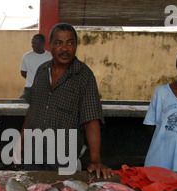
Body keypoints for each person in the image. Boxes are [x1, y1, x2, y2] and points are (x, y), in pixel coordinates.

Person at [20, 23, 113, 179]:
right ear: (50, 45)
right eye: (58, 43)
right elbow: (33, 108)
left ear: (76, 45)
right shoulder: (42, 71)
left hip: (62, 159)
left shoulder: (84, 76)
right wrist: (21, 140)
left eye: (70, 43)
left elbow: (91, 119)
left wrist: (95, 160)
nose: (64, 49)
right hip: (34, 152)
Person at [19, 34, 52, 98]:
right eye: (32, 43)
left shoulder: (50, 57)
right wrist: (33, 80)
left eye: (35, 43)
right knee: (21, 104)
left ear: (42, 43)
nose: (33, 45)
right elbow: (23, 72)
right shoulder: (26, 56)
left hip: (45, 90)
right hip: (29, 89)